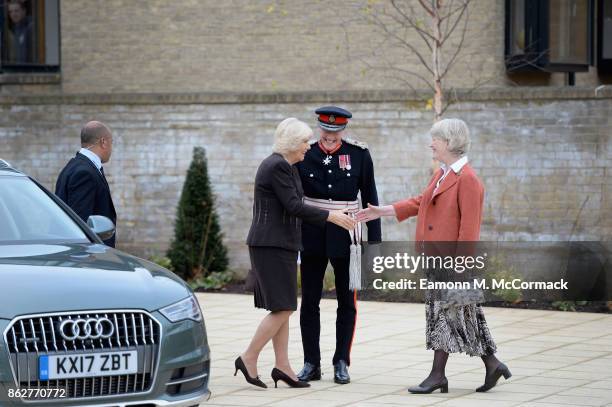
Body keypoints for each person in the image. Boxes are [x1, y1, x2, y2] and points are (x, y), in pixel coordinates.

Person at [356, 118, 511, 394]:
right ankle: (493, 364)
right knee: (465, 315)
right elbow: (420, 201)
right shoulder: (443, 174)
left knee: (445, 316)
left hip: (453, 263)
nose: (431, 144)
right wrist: (383, 210)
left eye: (435, 140)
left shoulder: (469, 180)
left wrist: (460, 270)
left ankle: (437, 375)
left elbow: (469, 229)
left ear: (449, 142)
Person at [236, 118, 356, 389]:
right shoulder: (276, 165)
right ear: (291, 143)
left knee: (284, 306)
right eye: (304, 142)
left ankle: (283, 366)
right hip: (271, 245)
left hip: (284, 244)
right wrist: (332, 217)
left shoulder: (288, 166)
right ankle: (249, 356)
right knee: (285, 307)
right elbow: (293, 205)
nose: (308, 147)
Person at [295, 106, 381, 384]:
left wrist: (374, 242)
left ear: (344, 130)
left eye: (336, 132)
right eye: (326, 131)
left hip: (346, 236)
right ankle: (311, 362)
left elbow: (370, 198)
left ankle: (341, 361)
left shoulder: (359, 154)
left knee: (347, 303)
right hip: (312, 233)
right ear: (319, 128)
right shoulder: (304, 153)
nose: (330, 137)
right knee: (309, 301)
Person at [55, 121, 117, 247]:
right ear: (103, 142)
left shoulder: (75, 166)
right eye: (112, 142)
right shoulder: (84, 173)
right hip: (90, 257)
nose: (112, 147)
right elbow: (80, 223)